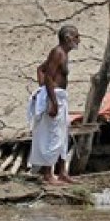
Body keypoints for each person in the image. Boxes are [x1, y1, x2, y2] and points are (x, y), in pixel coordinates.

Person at [27, 25, 80, 185]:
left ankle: (62, 172)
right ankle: (48, 174)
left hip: (60, 96)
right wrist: (52, 101)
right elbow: (48, 76)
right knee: (51, 135)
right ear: (68, 38)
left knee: (62, 136)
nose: (79, 40)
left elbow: (41, 69)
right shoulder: (57, 53)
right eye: (76, 36)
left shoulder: (63, 54)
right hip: (54, 97)